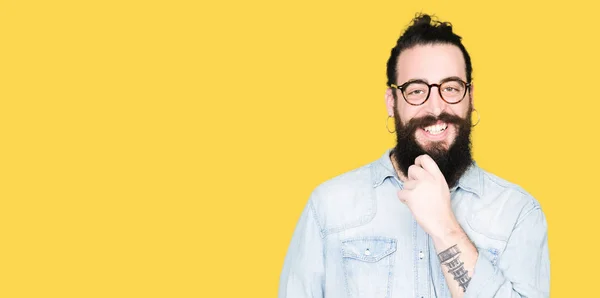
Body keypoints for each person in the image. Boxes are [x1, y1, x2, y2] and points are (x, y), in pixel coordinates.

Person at [278, 13, 550, 298]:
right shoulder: (329, 207)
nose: (436, 107)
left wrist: (445, 226)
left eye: (451, 88)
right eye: (416, 90)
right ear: (392, 103)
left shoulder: (518, 213)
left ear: (470, 97)